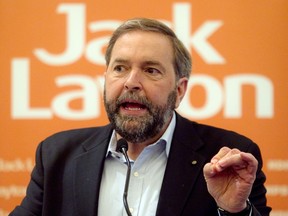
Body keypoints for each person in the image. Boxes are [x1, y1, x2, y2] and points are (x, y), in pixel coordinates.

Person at [10, 18, 271, 216]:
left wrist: (234, 212)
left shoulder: (228, 159)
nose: (131, 82)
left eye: (151, 70)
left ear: (179, 90)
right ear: (105, 78)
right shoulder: (57, 155)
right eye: (120, 68)